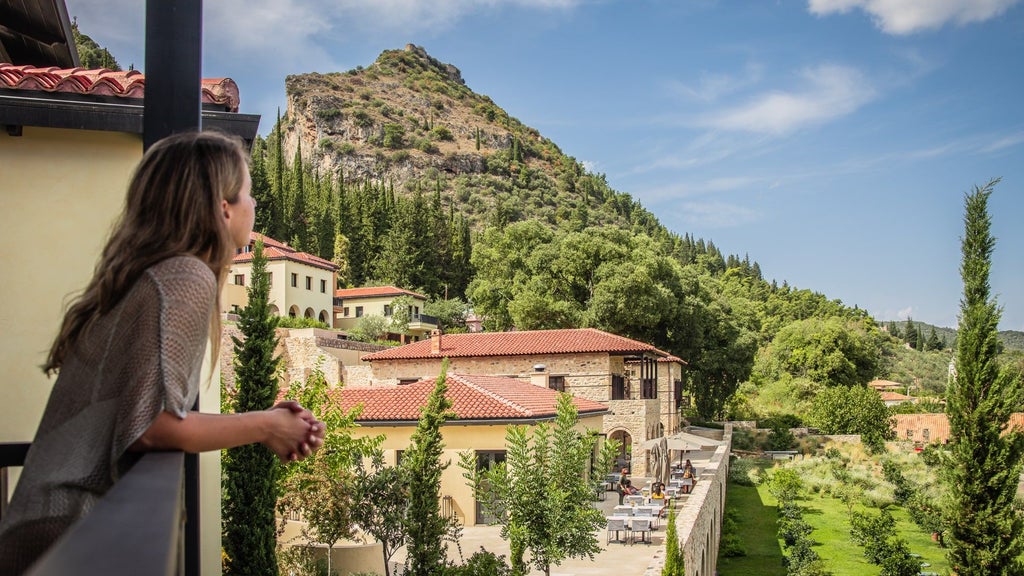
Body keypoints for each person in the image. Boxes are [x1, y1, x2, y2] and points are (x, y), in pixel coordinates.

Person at [0, 131, 325, 575]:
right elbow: (151, 427)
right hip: (71, 532)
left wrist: (268, 422)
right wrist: (266, 426)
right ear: (223, 207)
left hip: (48, 524)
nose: (253, 206)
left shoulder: (152, 277)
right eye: (248, 193)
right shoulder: (186, 277)